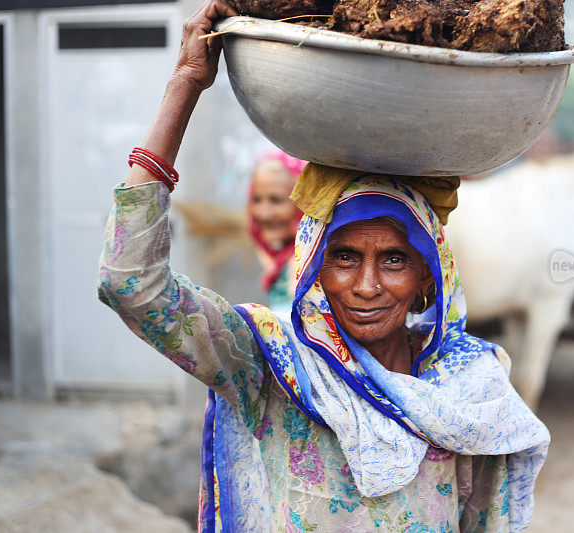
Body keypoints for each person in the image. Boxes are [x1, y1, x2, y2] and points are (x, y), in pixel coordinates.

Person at [97, 1, 550, 531]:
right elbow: (130, 284)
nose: (366, 286)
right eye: (344, 257)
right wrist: (186, 84)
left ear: (430, 275)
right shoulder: (270, 365)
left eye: (395, 260)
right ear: (313, 265)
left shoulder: (471, 390)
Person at [247, 150, 307, 312]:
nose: (264, 213)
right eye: (257, 199)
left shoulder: (313, 266)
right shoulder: (278, 261)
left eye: (276, 200)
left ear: (304, 203)